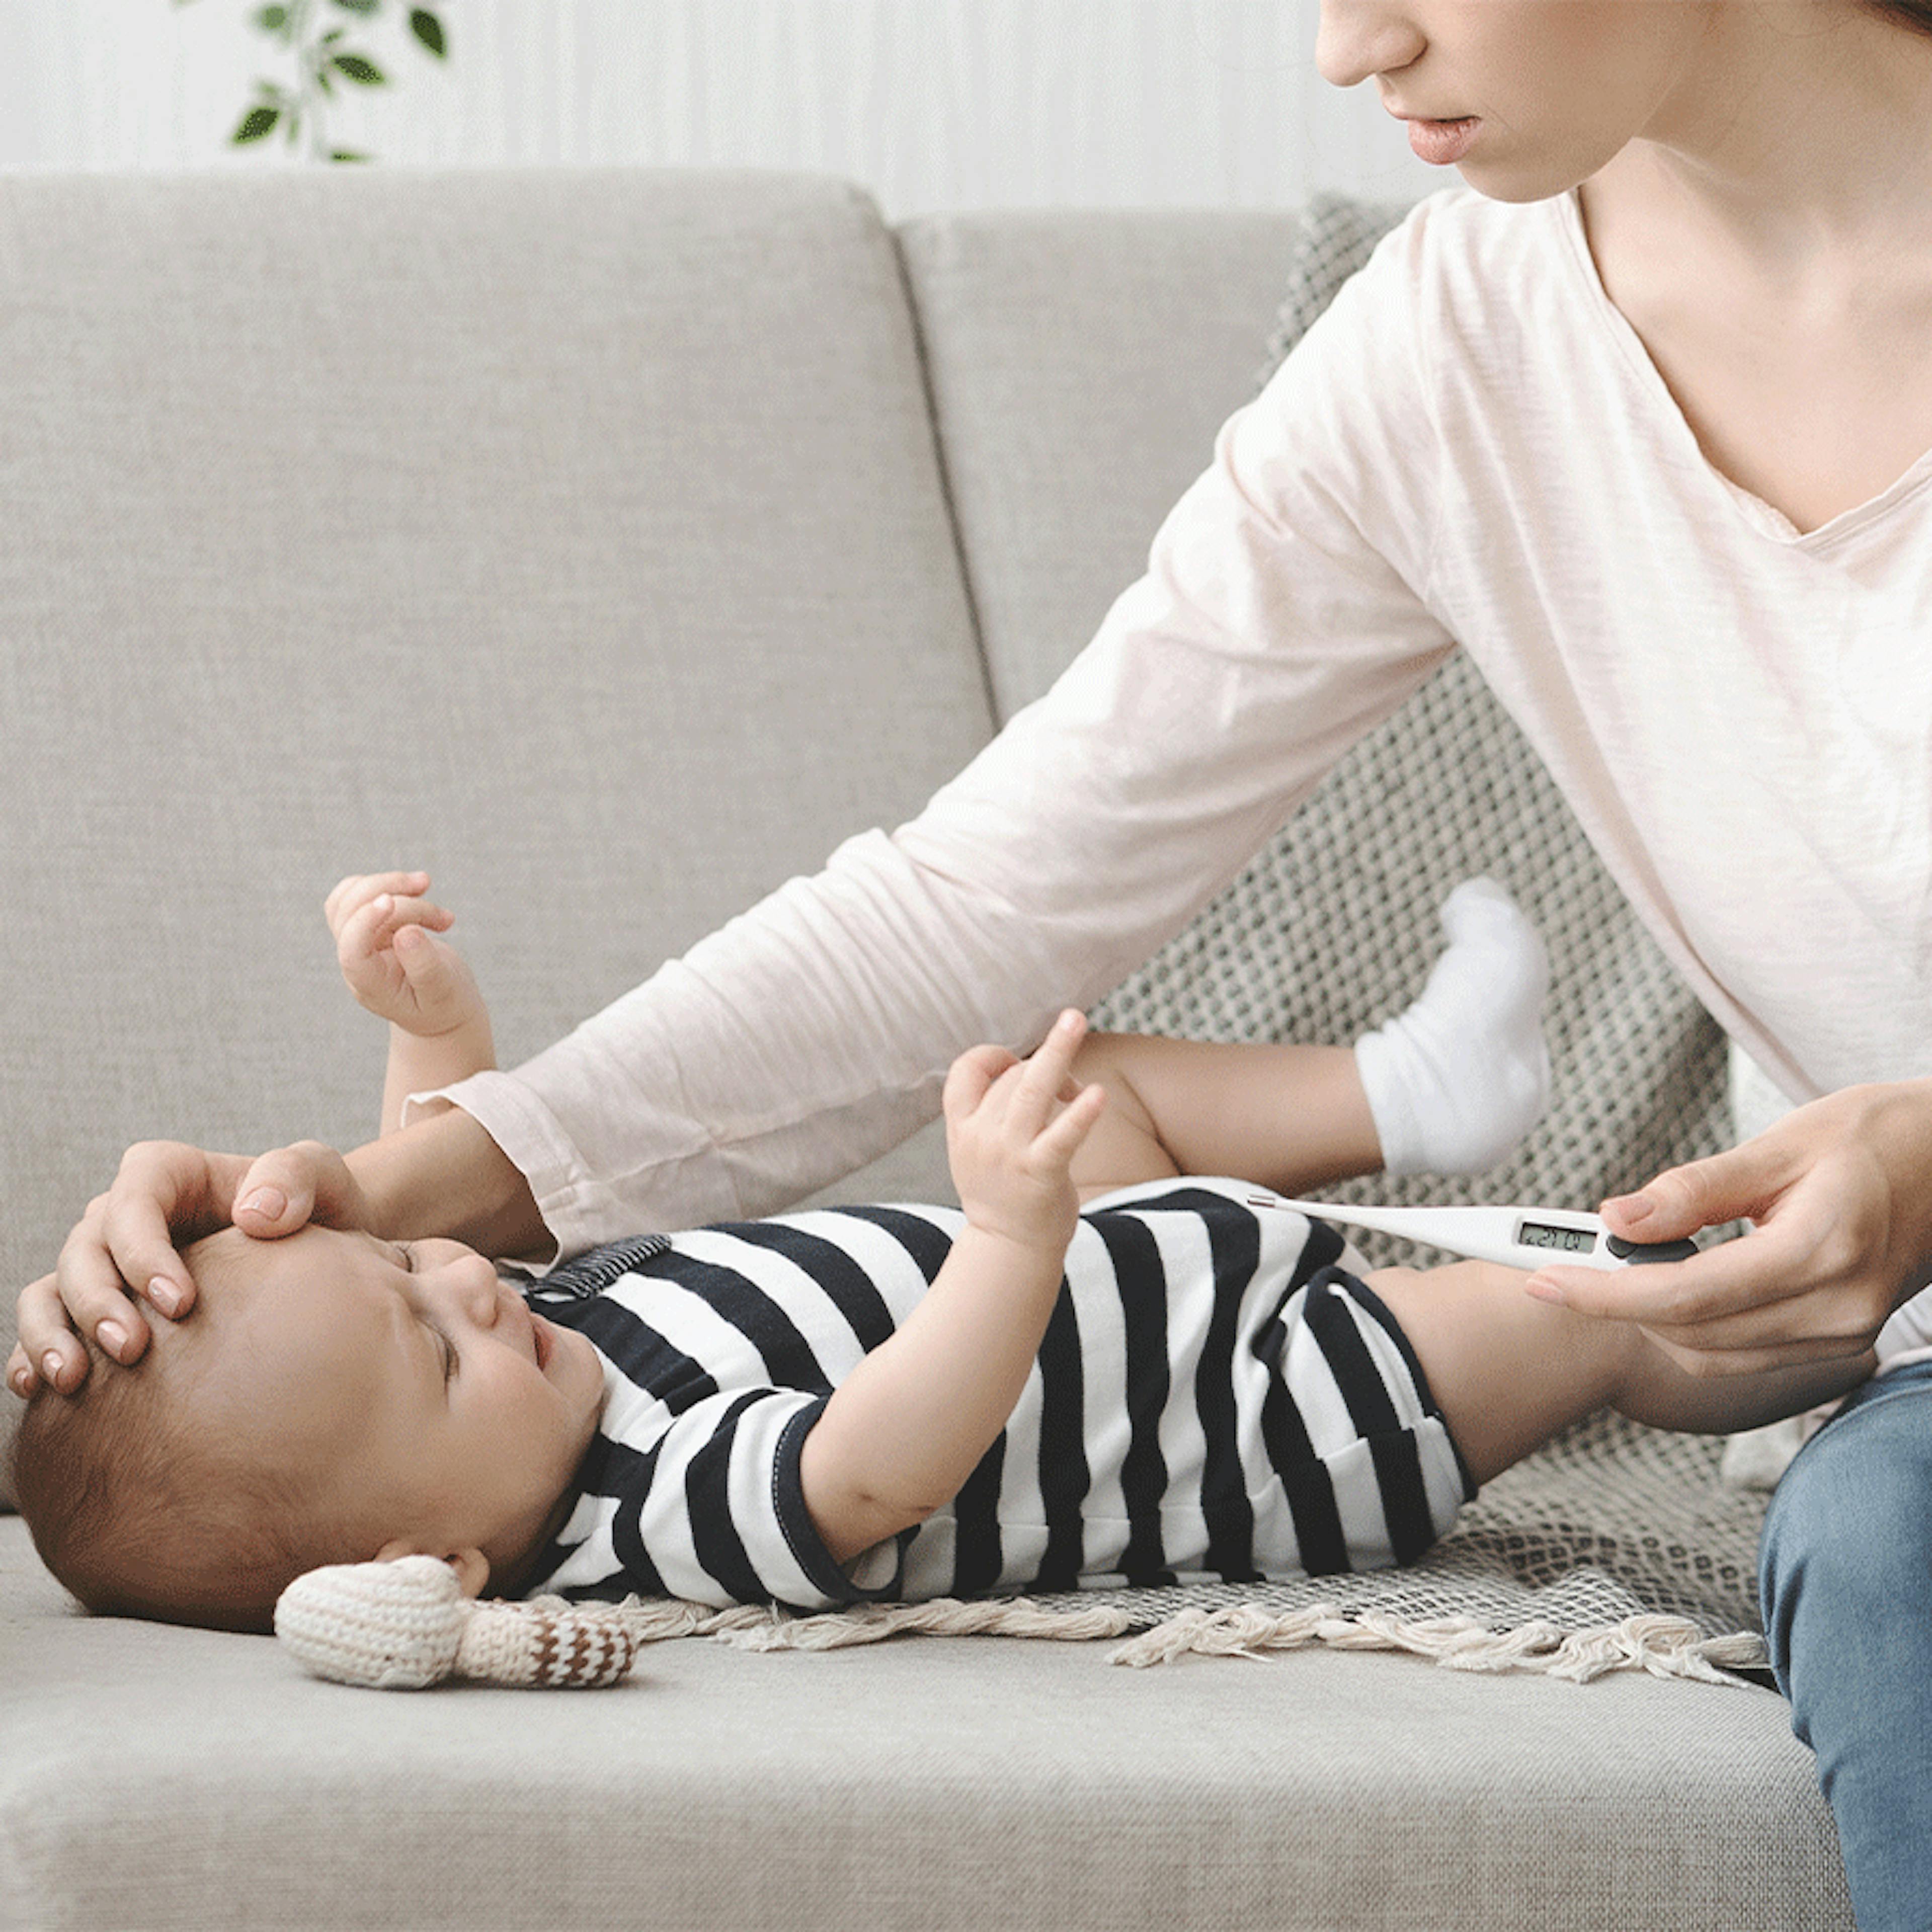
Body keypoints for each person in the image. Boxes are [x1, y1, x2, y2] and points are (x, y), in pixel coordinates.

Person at [13, 1, 1932, 1919]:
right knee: (1894, 1538)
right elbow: (980, 909)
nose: (1352, 46)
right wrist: (378, 1188)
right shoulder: (1462, 356)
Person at [9, 874, 1867, 1635]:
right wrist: (1003, 1228)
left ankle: (1414, 1089)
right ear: (432, 1561)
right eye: (431, 1346)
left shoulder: (515, 1361)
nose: (472, 1287)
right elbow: (888, 1452)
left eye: (418, 1280)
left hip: (1130, 1261)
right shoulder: (641, 1509)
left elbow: (436, 1182)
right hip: (1262, 1421)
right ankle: (1829, 1360)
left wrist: (430, 1021)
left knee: (1077, 1068)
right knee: (1586, 1316)